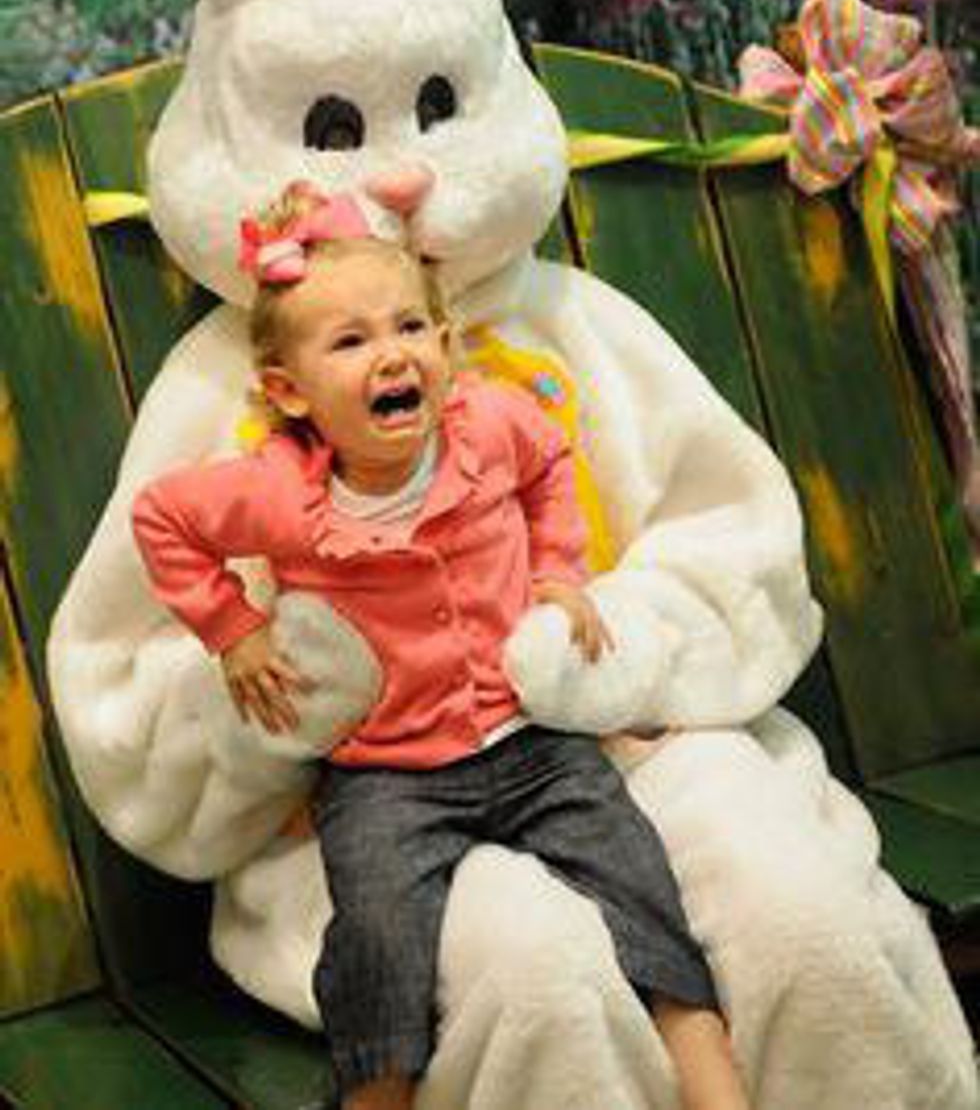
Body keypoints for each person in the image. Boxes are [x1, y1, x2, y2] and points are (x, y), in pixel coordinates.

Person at [131, 182, 752, 1110]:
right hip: (385, 772)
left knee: (636, 872)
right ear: (290, 392)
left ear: (446, 343)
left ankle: (706, 1062)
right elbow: (162, 520)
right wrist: (234, 630)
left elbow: (551, 464)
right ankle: (379, 1087)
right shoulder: (275, 493)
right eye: (352, 342)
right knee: (379, 931)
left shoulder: (489, 428)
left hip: (531, 740)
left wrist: (558, 573)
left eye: (411, 328)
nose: (393, 354)